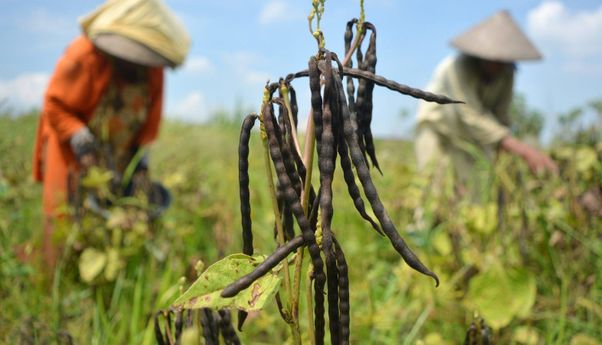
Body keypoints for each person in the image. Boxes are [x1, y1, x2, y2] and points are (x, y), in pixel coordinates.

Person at [32, 0, 189, 269]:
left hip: (118, 152)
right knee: (62, 219)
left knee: (110, 217)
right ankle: (53, 281)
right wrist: (80, 139)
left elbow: (150, 122)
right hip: (69, 149)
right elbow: (54, 105)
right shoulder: (83, 54)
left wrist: (141, 158)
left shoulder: (153, 70)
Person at [415, 10, 557, 199]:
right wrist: (523, 150)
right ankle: (421, 227)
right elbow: (471, 115)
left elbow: (501, 116)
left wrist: (506, 155)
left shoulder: (506, 74)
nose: (498, 66)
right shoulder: (457, 68)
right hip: (437, 128)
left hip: (468, 138)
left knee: (470, 193)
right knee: (432, 189)